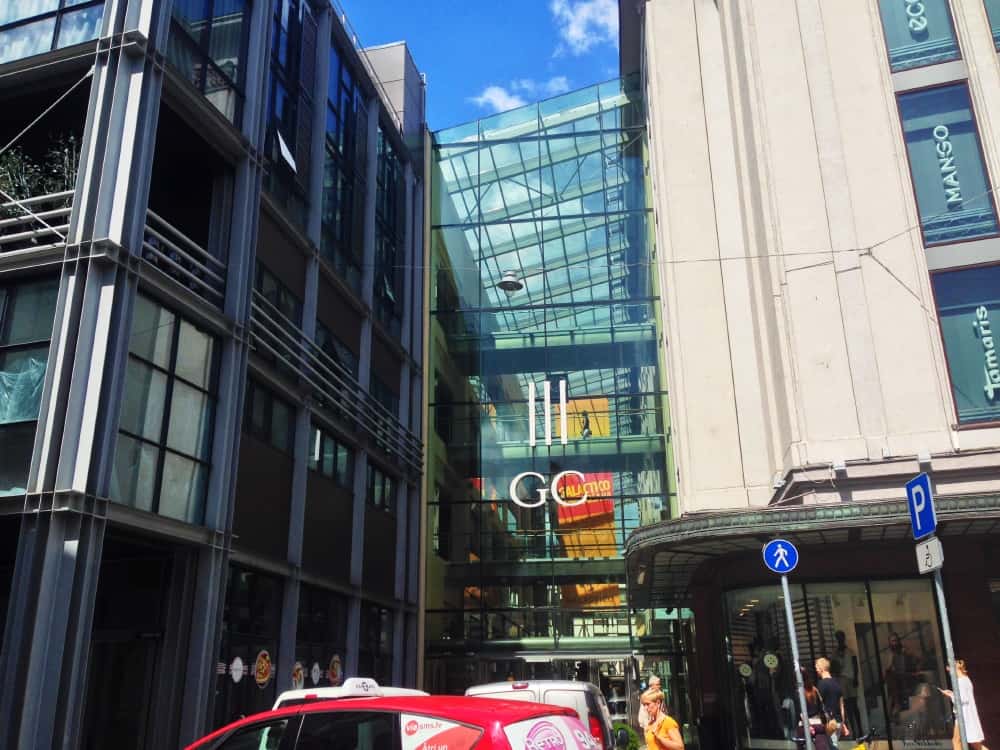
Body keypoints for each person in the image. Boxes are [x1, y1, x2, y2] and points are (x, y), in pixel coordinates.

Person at [940, 659, 990, 750]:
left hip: (964, 716)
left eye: (950, 671)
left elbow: (961, 702)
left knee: (957, 741)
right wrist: (952, 694)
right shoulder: (966, 679)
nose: (950, 673)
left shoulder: (960, 682)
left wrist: (950, 695)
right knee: (975, 745)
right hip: (967, 714)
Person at [832, 631, 862, 737]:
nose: (839, 639)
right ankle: (853, 731)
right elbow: (833, 667)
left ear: (843, 638)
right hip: (841, 680)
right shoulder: (835, 653)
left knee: (854, 705)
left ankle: (860, 730)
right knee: (847, 707)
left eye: (841, 637)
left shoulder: (850, 651)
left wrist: (856, 678)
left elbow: (855, 665)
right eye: (838, 637)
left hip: (850, 679)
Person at [817, 657, 847, 747]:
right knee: (833, 745)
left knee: (831, 746)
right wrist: (843, 723)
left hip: (830, 723)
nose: (816, 670)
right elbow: (841, 705)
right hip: (838, 722)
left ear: (821, 668)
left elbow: (820, 704)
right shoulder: (837, 683)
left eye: (817, 668)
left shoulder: (821, 684)